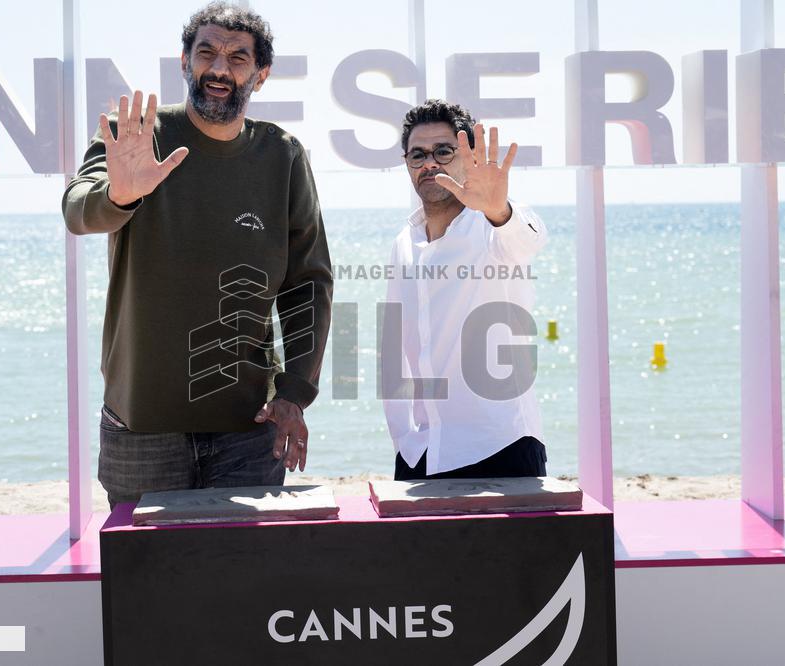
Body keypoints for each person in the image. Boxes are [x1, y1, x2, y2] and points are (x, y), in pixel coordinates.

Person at [62, 2, 332, 507]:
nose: (219, 69)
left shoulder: (283, 155)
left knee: (243, 560)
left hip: (249, 427)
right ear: (185, 62)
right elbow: (79, 212)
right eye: (206, 53)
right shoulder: (135, 134)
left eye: (238, 58)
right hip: (141, 424)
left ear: (262, 74)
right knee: (144, 560)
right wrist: (120, 195)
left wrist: (294, 392)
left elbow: (308, 284)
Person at [381, 100, 548, 480]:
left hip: (500, 446)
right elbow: (398, 348)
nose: (429, 164)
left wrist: (499, 210)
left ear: (469, 156)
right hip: (420, 450)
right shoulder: (403, 242)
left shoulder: (493, 227)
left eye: (443, 151)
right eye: (418, 155)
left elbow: (529, 238)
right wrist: (403, 437)